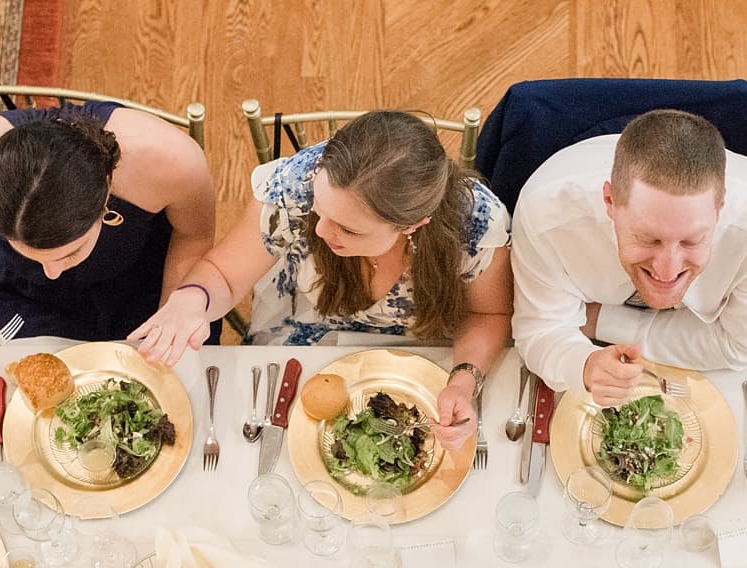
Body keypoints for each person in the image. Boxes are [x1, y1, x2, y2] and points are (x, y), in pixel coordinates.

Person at [134, 110, 512, 450]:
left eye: (348, 228)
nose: (320, 229)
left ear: (413, 225)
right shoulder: (298, 184)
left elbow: (489, 315)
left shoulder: (475, 226)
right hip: (307, 329)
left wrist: (463, 381)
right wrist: (192, 299)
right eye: (319, 209)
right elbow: (224, 274)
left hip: (429, 350)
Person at [0, 103, 217, 387]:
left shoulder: (167, 161)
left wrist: (173, 310)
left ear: (105, 201)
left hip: (140, 279)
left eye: (70, 251)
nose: (53, 272)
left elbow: (195, 236)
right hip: (15, 294)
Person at [509, 109, 747, 405]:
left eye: (691, 240)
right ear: (610, 201)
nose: (667, 270)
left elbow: (746, 346)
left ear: (720, 205)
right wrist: (583, 365)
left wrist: (600, 321)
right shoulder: (546, 214)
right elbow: (539, 329)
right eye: (648, 239)